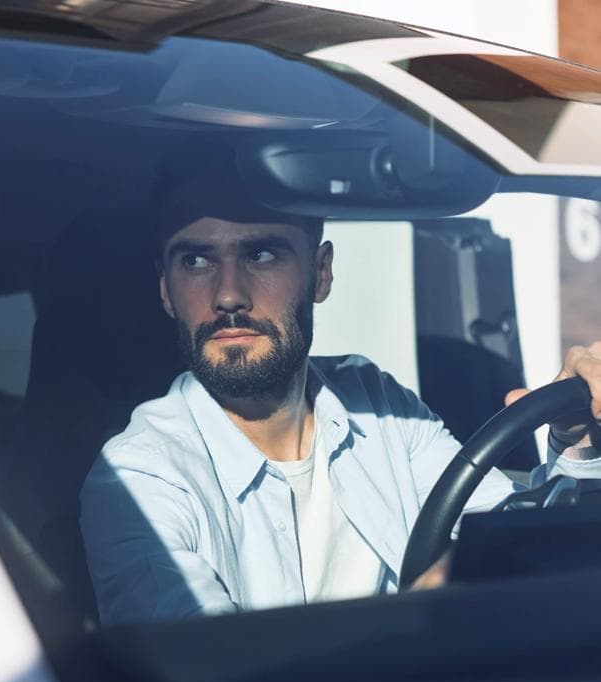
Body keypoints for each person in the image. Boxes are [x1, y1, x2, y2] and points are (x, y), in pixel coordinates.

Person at [80, 185, 601, 626]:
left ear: (321, 273)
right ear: (167, 290)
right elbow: (209, 677)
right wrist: (421, 622)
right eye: (196, 260)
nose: (229, 295)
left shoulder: (377, 403)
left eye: (261, 254)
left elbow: (517, 540)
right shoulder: (137, 477)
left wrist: (576, 443)